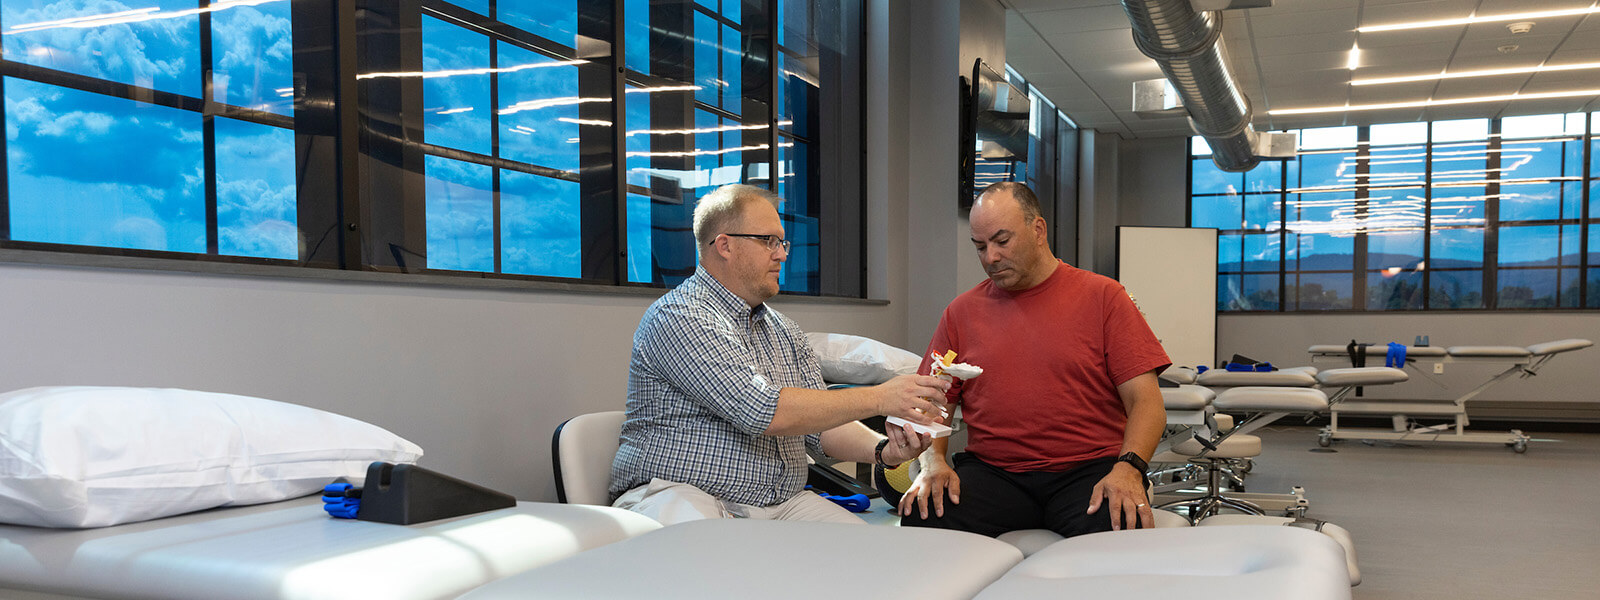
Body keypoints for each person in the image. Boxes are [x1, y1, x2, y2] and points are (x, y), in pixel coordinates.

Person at [610, 183, 951, 525]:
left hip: (779, 503)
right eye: (768, 241)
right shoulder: (681, 316)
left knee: (865, 557)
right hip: (682, 491)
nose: (782, 254)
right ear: (725, 245)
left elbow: (820, 432)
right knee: (719, 564)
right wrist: (881, 398)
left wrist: (883, 451)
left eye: (782, 242)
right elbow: (760, 411)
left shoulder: (783, 330)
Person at [898, 181, 1170, 538]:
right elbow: (934, 402)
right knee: (924, 514)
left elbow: (1146, 403)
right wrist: (933, 462)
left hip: (1087, 470)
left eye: (1001, 241)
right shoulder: (961, 313)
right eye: (980, 247)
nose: (990, 257)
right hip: (996, 473)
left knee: (1116, 522)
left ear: (1038, 230)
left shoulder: (1104, 297)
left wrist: (1129, 468)